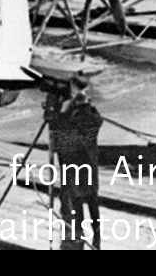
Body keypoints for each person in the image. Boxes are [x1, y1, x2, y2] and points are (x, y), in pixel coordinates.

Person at [52, 75, 103, 249]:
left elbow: (57, 123)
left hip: (74, 162)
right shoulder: (93, 120)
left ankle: (79, 232)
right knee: (92, 198)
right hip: (89, 162)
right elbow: (99, 120)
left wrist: (64, 108)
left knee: (77, 199)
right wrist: (89, 106)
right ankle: (97, 231)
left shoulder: (70, 119)